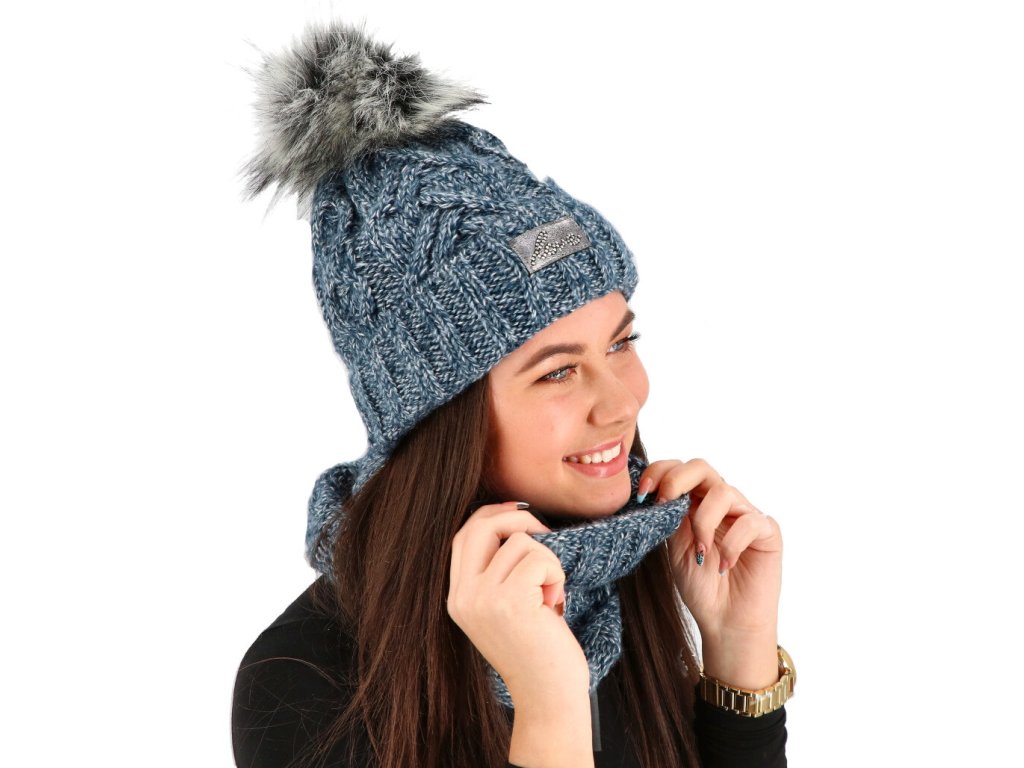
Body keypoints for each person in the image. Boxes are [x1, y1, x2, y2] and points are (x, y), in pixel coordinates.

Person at [232, 20, 791, 768]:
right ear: (438, 413)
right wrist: (550, 706)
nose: (622, 404)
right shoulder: (305, 683)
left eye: (620, 343)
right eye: (557, 371)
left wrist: (739, 652)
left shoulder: (626, 579)